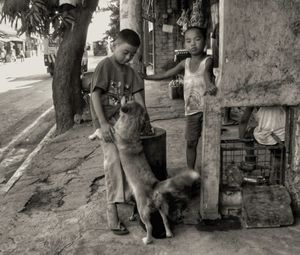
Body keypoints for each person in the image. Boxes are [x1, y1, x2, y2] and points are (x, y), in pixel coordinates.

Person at [90, 29, 150, 236]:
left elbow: (138, 95)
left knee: (130, 163)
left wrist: (145, 117)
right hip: (107, 126)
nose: (128, 57)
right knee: (114, 162)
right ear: (115, 45)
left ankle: (130, 199)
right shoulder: (105, 66)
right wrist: (103, 123)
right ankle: (111, 210)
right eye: (125, 52)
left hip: (124, 127)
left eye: (132, 54)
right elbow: (95, 96)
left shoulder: (130, 72)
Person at [143, 26, 217, 170]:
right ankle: (191, 172)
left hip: (208, 110)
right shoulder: (185, 63)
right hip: (192, 111)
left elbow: (206, 75)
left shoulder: (208, 60)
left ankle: (211, 171)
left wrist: (209, 85)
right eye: (188, 41)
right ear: (185, 44)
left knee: (211, 142)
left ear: (205, 42)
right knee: (191, 142)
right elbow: (165, 74)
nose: (193, 44)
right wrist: (146, 77)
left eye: (197, 39)